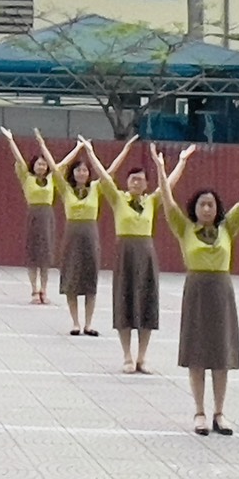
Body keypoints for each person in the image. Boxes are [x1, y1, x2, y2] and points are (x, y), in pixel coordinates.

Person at [153, 145, 239, 435]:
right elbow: (167, 201)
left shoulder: (228, 228)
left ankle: (219, 412)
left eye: (211, 204)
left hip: (221, 292)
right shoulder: (184, 228)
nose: (207, 208)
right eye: (202, 204)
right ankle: (199, 412)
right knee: (196, 355)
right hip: (196, 291)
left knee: (221, 355)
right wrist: (162, 170)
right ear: (194, 207)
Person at [56, 136, 133, 338]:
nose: (81, 173)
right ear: (73, 173)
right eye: (78, 170)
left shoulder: (96, 188)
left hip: (90, 236)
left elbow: (110, 171)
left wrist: (125, 150)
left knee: (90, 280)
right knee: (71, 278)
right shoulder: (66, 189)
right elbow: (56, 169)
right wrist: (77, 148)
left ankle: (88, 323)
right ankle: (75, 322)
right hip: (72, 235)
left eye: (84, 170)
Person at [105, 147, 164, 374]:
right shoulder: (118, 199)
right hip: (125, 255)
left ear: (147, 184)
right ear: (127, 182)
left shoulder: (151, 201)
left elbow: (168, 185)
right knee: (125, 301)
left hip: (146, 255)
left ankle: (142, 357)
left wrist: (163, 165)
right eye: (133, 179)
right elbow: (104, 176)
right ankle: (127, 356)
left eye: (140, 180)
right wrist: (91, 152)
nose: (136, 183)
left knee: (146, 303)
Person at [0, 129, 61, 306]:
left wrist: (42, 144)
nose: (42, 166)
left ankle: (44, 290)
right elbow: (19, 159)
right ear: (33, 165)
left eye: (44, 164)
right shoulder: (26, 177)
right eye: (39, 164)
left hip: (47, 217)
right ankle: (34, 289)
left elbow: (61, 164)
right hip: (34, 216)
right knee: (33, 255)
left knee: (46, 256)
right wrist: (11, 140)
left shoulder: (52, 178)